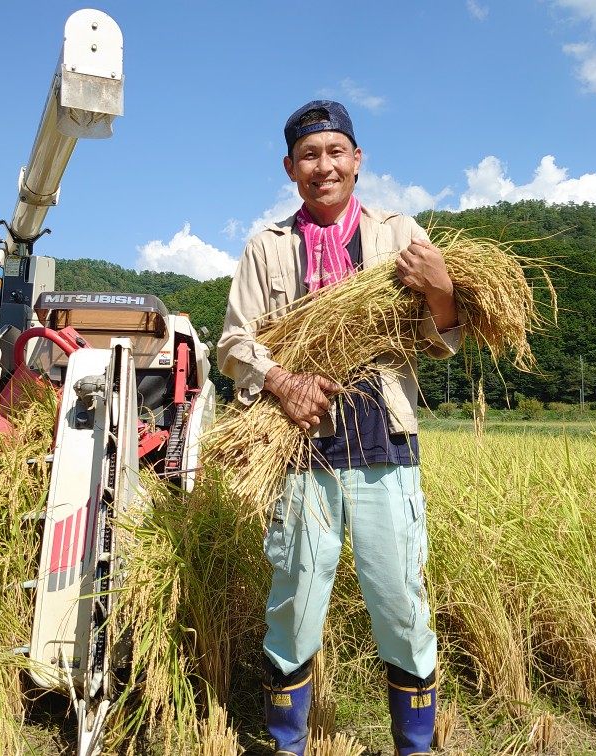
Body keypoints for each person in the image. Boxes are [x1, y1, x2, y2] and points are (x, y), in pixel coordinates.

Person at [217, 100, 461, 756]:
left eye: (334, 152)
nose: (323, 166)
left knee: (401, 606)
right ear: (290, 168)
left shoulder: (398, 233)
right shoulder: (267, 247)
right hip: (298, 448)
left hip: (384, 442)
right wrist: (282, 379)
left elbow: (442, 339)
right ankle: (285, 745)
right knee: (294, 604)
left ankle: (416, 748)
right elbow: (234, 341)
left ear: (356, 160)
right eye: (308, 156)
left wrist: (441, 289)